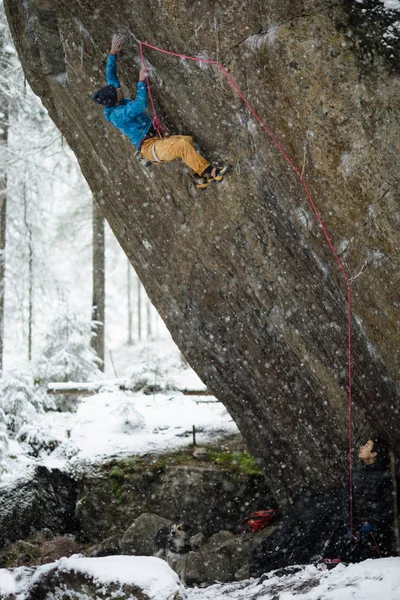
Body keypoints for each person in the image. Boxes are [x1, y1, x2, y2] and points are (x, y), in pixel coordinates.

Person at [93, 35, 231, 190]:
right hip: (150, 147)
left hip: (156, 138)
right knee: (181, 145)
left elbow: (111, 76)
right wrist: (141, 83)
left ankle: (199, 178)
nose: (119, 89)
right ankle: (211, 172)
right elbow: (139, 105)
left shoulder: (113, 97)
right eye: (117, 91)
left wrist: (113, 52)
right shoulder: (117, 115)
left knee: (188, 140)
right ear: (114, 100)